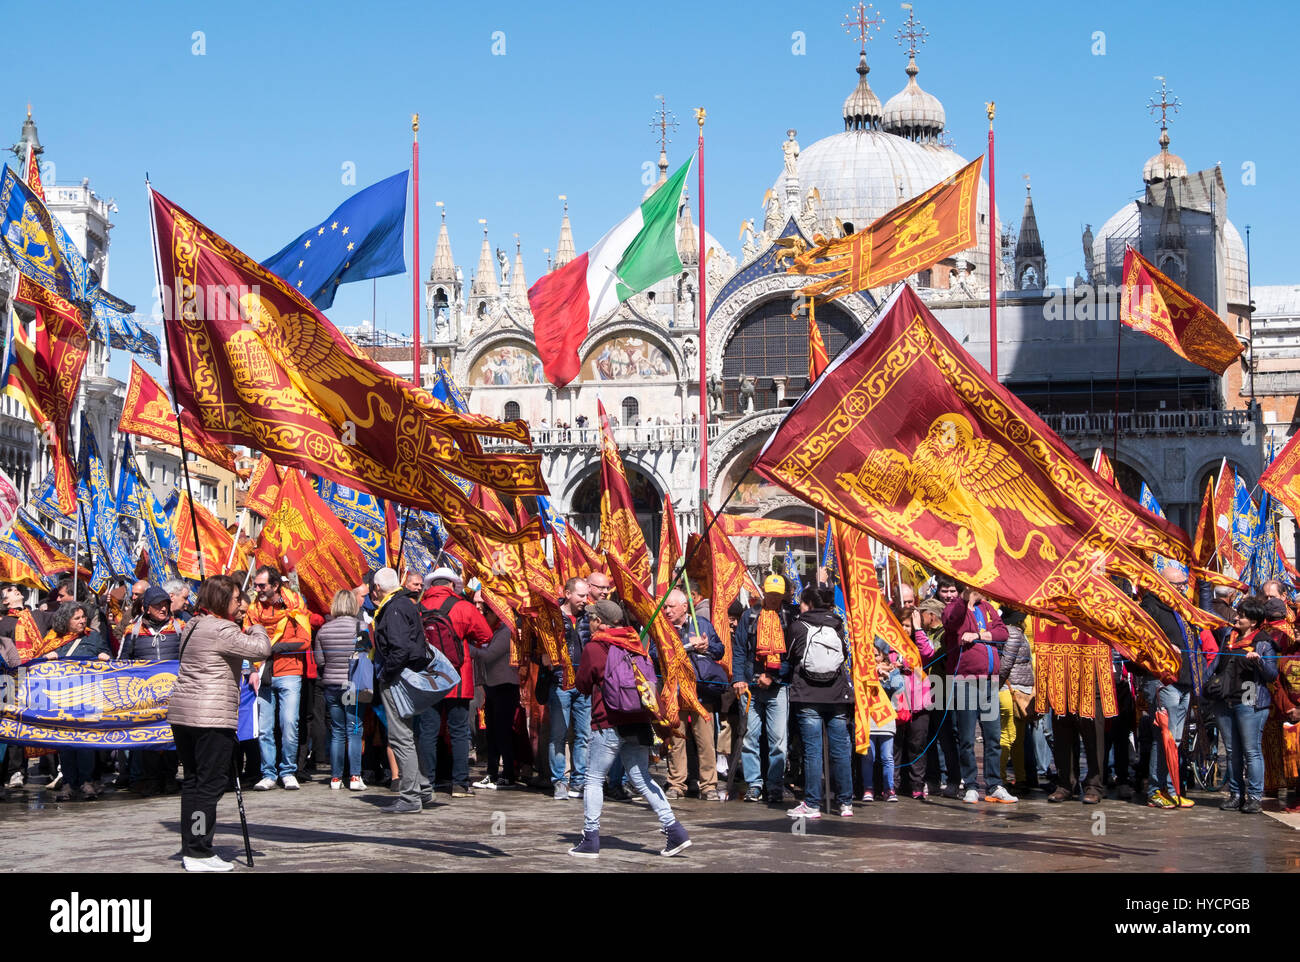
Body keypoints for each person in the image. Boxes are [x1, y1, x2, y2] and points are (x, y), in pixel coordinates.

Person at [567, 599, 691, 859]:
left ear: (600, 621)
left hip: (608, 721)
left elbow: (582, 684)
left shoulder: (596, 647)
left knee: (593, 778)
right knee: (642, 778)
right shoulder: (637, 642)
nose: (589, 623)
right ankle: (675, 830)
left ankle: (590, 839)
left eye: (591, 618)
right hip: (638, 719)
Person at [168, 575, 272, 872]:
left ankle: (193, 846)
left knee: (194, 782)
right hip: (209, 717)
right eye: (238, 600)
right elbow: (261, 649)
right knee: (209, 785)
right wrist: (258, 627)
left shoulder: (193, 624)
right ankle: (199, 850)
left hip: (185, 715)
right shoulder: (221, 628)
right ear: (222, 601)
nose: (242, 605)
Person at [416, 567, 491, 797]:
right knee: (459, 732)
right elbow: (486, 635)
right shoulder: (462, 606)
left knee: (427, 731)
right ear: (451, 585)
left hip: (428, 677)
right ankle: (459, 784)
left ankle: (426, 782)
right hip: (458, 677)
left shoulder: (418, 608)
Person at [943, 585, 1017, 804]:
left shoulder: (987, 608)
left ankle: (994, 785)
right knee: (966, 737)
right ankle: (971, 785)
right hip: (966, 681)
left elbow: (1003, 633)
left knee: (993, 736)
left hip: (989, 682)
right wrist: (964, 600)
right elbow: (952, 621)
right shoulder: (953, 608)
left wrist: (980, 635)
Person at [786, 585, 855, 818]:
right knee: (840, 750)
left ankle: (813, 804)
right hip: (837, 695)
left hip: (807, 696)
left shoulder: (798, 626)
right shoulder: (838, 624)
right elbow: (843, 656)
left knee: (812, 751)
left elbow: (790, 658)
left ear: (808, 604)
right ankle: (846, 803)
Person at [371, 567, 435, 813]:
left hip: (397, 678)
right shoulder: (404, 604)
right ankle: (422, 787)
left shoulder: (395, 608)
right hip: (406, 676)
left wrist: (387, 674)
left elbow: (400, 648)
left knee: (400, 737)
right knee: (408, 735)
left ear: (377, 588)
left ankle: (410, 797)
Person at [1209, 596, 1279, 814]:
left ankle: (1255, 797)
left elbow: (1272, 674)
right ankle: (1236, 794)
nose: (1237, 617)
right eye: (1238, 613)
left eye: (1243, 615)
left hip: (1250, 700)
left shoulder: (1264, 641)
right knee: (1232, 751)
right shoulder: (1229, 636)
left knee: (1251, 750)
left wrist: (1258, 660)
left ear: (1255, 622)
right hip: (1224, 698)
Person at [247, 567, 313, 791]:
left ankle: (288, 771)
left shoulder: (294, 604)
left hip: (290, 673)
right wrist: (253, 668)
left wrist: (275, 647)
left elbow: (304, 640)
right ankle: (268, 773)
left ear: (275, 586)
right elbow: (247, 639)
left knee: (289, 725)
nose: (257, 590)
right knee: (265, 728)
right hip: (263, 673)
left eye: (262, 586)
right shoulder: (253, 608)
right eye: (256, 585)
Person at [1138, 571, 1198, 809]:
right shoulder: (1151, 606)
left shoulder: (1181, 608)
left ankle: (1173, 789)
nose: (1184, 588)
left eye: (1184, 584)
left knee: (1175, 741)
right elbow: (1140, 640)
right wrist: (1162, 646)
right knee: (1164, 738)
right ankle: (1156, 790)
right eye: (1179, 584)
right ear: (1165, 584)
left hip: (1183, 681)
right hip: (1163, 682)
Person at [663, 588, 726, 801]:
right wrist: (682, 649)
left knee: (705, 741)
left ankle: (709, 785)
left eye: (671, 606)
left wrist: (707, 646)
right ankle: (676, 783)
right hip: (676, 692)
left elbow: (720, 650)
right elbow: (653, 652)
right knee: (676, 740)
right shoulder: (663, 627)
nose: (667, 610)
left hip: (701, 691)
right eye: (665, 607)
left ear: (684, 607)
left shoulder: (702, 624)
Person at [732, 575, 791, 804]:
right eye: (770, 595)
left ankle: (775, 784)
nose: (774, 599)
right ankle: (754, 784)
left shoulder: (788, 618)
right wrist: (738, 678)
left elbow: (792, 655)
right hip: (751, 686)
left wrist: (774, 675)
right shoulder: (750, 616)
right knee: (749, 737)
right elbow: (738, 650)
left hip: (777, 688)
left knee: (778, 741)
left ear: (783, 595)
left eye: (778, 595)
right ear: (764, 594)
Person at [44, 602, 111, 801]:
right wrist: (49, 658)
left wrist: (104, 656)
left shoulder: (94, 637)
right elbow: (39, 661)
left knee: (85, 741)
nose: (83, 621)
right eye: (77, 618)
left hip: (88, 697)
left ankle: (87, 781)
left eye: (83, 617)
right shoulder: (54, 640)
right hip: (62, 698)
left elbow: (110, 657)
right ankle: (68, 782)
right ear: (66, 621)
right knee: (65, 743)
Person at [120, 586, 184, 795]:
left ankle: (169, 777)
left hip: (173, 696)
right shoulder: (133, 631)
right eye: (158, 605)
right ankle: (150, 779)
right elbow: (122, 663)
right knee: (148, 738)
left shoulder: (179, 628)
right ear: (147, 608)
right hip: (144, 698)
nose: (163, 609)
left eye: (165, 604)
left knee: (171, 737)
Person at [316, 588, 367, 791]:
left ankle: (335, 778)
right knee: (354, 730)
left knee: (337, 731)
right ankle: (355, 777)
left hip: (331, 685)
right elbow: (366, 656)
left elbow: (320, 660)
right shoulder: (360, 627)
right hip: (351, 685)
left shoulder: (324, 630)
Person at [471, 599, 521, 789]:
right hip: (492, 686)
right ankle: (492, 773)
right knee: (491, 731)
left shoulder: (506, 631)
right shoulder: (495, 632)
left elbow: (490, 655)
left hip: (505, 686)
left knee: (503, 732)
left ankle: (507, 774)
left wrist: (468, 649)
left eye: (487, 614)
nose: (485, 617)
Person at [550, 578, 592, 800]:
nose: (586, 600)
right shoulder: (554, 616)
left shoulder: (589, 617)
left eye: (587, 596)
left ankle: (580, 781)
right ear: (567, 594)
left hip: (584, 684)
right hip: (560, 682)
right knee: (559, 734)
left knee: (583, 736)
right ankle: (559, 780)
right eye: (581, 596)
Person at [896, 600, 940, 798]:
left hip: (919, 702)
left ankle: (916, 785)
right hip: (897, 701)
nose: (906, 629)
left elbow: (928, 653)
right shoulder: (891, 643)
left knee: (917, 745)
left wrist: (919, 630)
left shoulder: (920, 641)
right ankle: (894, 784)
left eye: (909, 626)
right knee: (896, 746)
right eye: (903, 625)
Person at [997, 608, 1034, 792]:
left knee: (1017, 739)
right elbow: (1006, 664)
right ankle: (999, 778)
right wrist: (996, 685)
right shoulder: (1012, 633)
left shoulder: (1015, 632)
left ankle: (1021, 778)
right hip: (1010, 690)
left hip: (1018, 689)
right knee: (1008, 736)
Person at [862, 642, 904, 802]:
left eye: (876, 655)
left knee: (887, 757)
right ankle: (868, 788)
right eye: (870, 656)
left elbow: (900, 689)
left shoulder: (893, 672)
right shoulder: (865, 672)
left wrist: (888, 677)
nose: (873, 658)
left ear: (884, 656)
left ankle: (889, 789)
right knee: (868, 758)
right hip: (869, 722)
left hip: (886, 722)